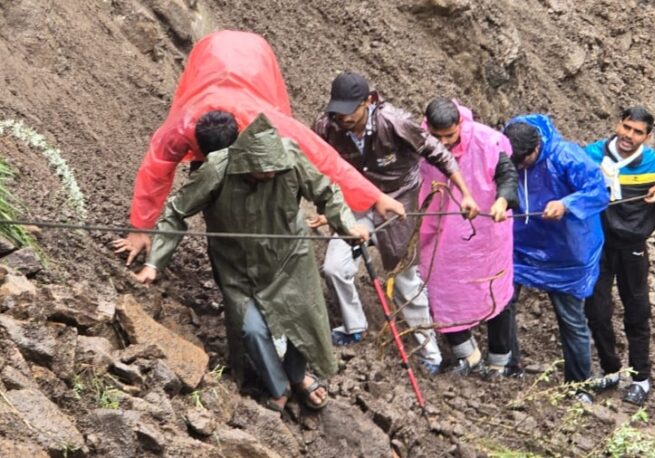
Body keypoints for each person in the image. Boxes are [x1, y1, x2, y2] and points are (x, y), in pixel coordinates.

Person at [133, 113, 369, 412]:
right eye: (261, 171)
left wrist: (347, 225)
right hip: (238, 267)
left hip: (289, 258)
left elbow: (326, 192)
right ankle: (278, 384)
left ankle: (297, 376)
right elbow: (176, 211)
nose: (270, 174)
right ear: (245, 162)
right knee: (252, 330)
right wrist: (155, 262)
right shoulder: (218, 168)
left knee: (303, 317)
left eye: (274, 170)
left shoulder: (290, 155)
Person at [113, 31, 402, 265]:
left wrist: (373, 196)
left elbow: (322, 157)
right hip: (209, 57)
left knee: (278, 161)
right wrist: (140, 228)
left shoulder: (265, 122)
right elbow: (155, 172)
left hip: (254, 64)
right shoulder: (178, 129)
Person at [312, 72, 479, 373]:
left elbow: (439, 154)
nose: (343, 117)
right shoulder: (327, 126)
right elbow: (317, 163)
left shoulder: (395, 122)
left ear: (368, 101)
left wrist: (465, 193)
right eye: (338, 109)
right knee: (334, 268)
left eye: (350, 109)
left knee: (404, 279)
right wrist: (328, 206)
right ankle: (354, 326)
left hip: (398, 203)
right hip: (356, 201)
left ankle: (430, 353)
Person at [583, 106, 655, 406]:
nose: (629, 136)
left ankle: (640, 378)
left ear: (647, 136)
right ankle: (610, 369)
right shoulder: (591, 154)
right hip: (597, 245)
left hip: (633, 248)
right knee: (596, 309)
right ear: (617, 124)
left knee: (637, 311)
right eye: (626, 128)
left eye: (637, 132)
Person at [503, 115, 609, 401]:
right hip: (522, 245)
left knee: (571, 318)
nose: (519, 167)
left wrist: (566, 203)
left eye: (523, 162)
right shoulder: (506, 154)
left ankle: (577, 385)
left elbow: (598, 192)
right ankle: (507, 364)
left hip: (567, 249)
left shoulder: (567, 156)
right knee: (503, 302)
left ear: (536, 148)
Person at [420, 97, 518, 378]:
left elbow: (507, 175)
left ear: (460, 124)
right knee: (440, 292)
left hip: (486, 235)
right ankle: (468, 355)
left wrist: (501, 200)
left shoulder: (488, 141)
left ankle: (499, 362)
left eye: (449, 136)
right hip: (440, 234)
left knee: (493, 292)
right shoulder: (419, 141)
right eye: (437, 137)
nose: (444, 143)